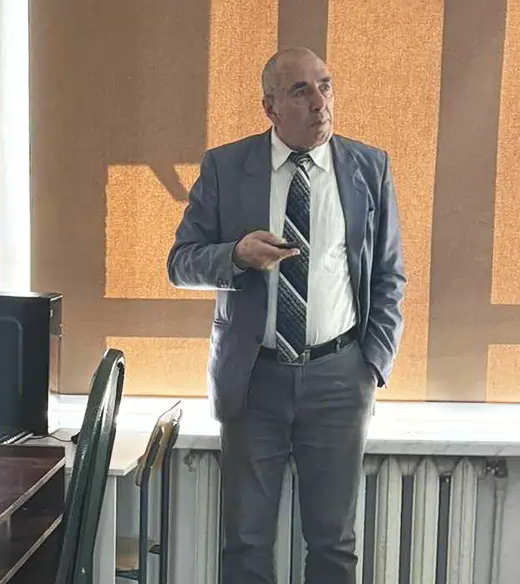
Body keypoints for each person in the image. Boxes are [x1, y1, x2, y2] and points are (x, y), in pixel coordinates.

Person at [166, 47, 406, 584]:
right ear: (270, 107)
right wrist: (235, 255)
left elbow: (389, 275)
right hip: (254, 377)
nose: (320, 102)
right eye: (301, 91)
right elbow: (179, 264)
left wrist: (371, 364)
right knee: (246, 542)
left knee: (334, 543)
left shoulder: (368, 167)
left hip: (340, 376)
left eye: (326, 85)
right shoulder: (227, 167)